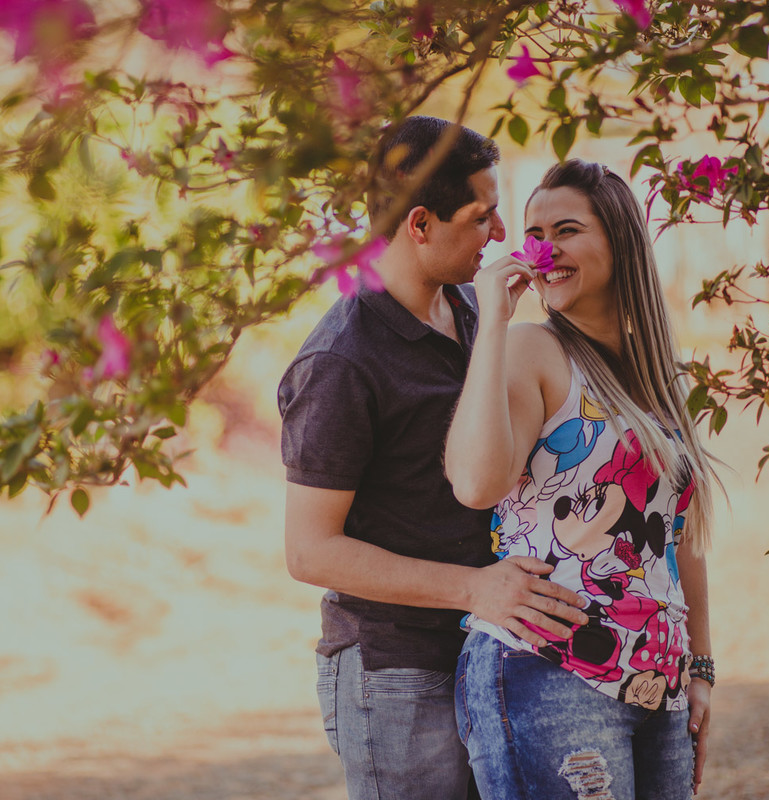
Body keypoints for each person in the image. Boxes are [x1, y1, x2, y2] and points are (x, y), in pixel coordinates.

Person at [278, 116, 589, 800]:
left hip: (495, 652)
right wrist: (476, 589)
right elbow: (309, 551)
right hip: (400, 672)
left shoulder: (476, 313)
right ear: (419, 223)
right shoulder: (340, 361)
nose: (501, 234)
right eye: (481, 218)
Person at [444, 159, 719, 800]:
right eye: (536, 235)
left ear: (620, 242)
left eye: (566, 231)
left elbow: (679, 536)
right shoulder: (532, 349)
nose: (546, 251)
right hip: (548, 667)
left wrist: (701, 667)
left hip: (659, 680)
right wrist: (493, 323)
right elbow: (477, 485)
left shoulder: (663, 378)